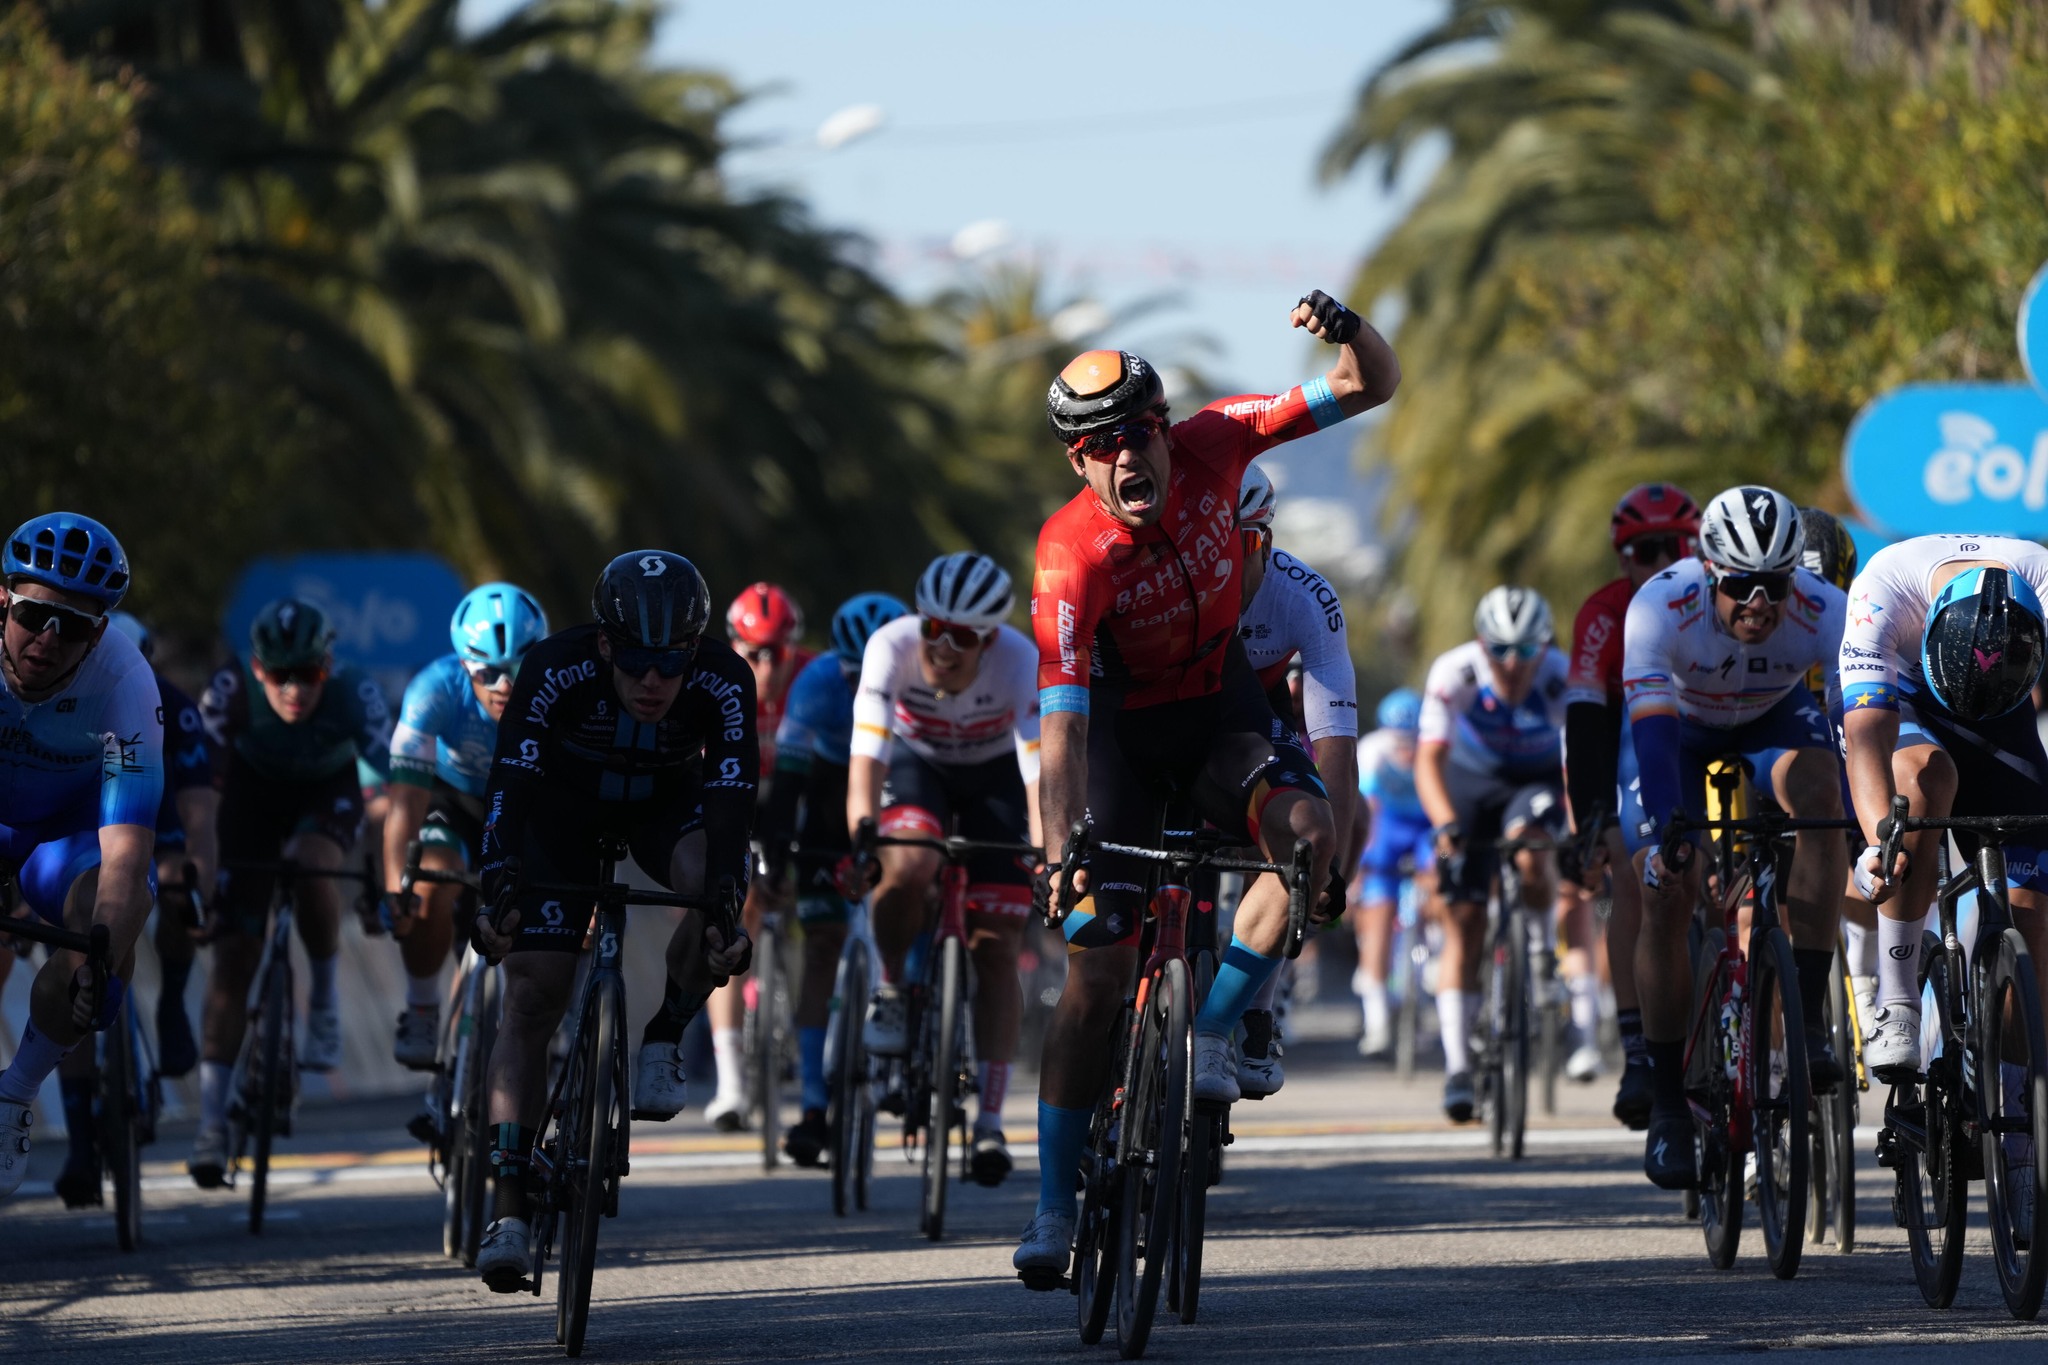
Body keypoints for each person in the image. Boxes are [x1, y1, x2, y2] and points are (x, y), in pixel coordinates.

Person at [1016, 288, 1400, 1285]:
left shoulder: (1217, 442)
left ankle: (1211, 1034)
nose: (1129, 454)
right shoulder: (1068, 556)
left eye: (1141, 428)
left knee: (1308, 835)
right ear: (1077, 460)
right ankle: (1054, 1205)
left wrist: (1346, 330)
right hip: (1120, 738)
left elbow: (1370, 384)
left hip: (1218, 713)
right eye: (1103, 444)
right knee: (1095, 968)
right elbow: (1060, 734)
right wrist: (1061, 856)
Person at [470, 550, 757, 1293]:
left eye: (672, 662)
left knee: (714, 883)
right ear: (604, 645)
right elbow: (513, 780)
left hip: (667, 807)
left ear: (695, 648)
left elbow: (731, 801)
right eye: (635, 661)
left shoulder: (726, 680)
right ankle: (507, 1207)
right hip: (561, 812)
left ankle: (666, 1033)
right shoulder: (553, 666)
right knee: (534, 991)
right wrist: (497, 876)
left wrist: (727, 906)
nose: (655, 681)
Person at [1623, 485, 1848, 1190]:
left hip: (1774, 722)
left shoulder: (1824, 610)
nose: (1760, 602)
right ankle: (1665, 1103)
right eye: (1741, 584)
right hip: (1681, 735)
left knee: (1826, 802)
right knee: (1666, 890)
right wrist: (1669, 833)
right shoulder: (1660, 606)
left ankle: (1805, 1015)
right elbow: (1654, 738)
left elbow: (1853, 727)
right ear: (1708, 571)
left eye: (1774, 584)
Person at [188, 598, 391, 1187]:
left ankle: (323, 1003)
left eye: (310, 675)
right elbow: (203, 794)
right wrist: (206, 871)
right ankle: (210, 1123)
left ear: (328, 666)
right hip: (249, 797)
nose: (295, 690)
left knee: (310, 866)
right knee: (233, 959)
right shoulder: (227, 689)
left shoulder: (357, 692)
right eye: (280, 676)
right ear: (257, 671)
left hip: (327, 792)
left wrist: (384, 876)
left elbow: (397, 791)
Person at [852, 553, 1040, 1185]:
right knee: (905, 865)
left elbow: (1039, 773)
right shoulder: (890, 646)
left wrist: (1047, 855)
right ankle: (891, 985)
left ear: (989, 639)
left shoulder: (1020, 660)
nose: (946, 647)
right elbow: (869, 753)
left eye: (965, 637)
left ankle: (989, 1119)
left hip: (996, 780)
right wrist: (860, 832)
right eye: (935, 629)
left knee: (998, 943)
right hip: (917, 765)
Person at [0, 513, 164, 1201]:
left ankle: (15, 1096)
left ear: (99, 632)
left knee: (102, 929)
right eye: (36, 614)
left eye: (71, 625)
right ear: (3, 599)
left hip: (68, 837)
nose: (48, 638)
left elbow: (126, 856)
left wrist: (101, 946)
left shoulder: (126, 681)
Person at [38, 611, 220, 1207]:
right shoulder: (53, 698)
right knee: (71, 959)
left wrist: (199, 884)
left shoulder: (172, 707)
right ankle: (83, 1142)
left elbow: (199, 817)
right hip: (79, 822)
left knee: (173, 880)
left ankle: (170, 1000)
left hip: (152, 816)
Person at [1562, 482, 1701, 1128]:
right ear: (1623, 560)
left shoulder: (1717, 594)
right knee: (1631, 870)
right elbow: (1588, 725)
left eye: (1675, 546)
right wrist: (1589, 817)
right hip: (1632, 735)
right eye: (1644, 550)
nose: (1660, 560)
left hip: (1714, 728)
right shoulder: (1602, 613)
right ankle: (1640, 1047)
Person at [759, 593, 908, 1168]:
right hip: (827, 805)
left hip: (897, 792)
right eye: (854, 673)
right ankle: (815, 1106)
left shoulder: (924, 678)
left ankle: (910, 1021)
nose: (861, 683)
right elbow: (789, 781)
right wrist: (775, 857)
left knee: (907, 898)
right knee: (822, 948)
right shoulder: (818, 683)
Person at [1416, 586, 1572, 1123]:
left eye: (1525, 650)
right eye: (1499, 650)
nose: (1511, 663)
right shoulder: (1453, 672)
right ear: (1481, 646)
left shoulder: (1560, 676)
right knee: (1463, 923)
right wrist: (1445, 826)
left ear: (1544, 646)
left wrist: (1573, 831)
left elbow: (1578, 767)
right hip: (1471, 780)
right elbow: (1428, 762)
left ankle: (1542, 952)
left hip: (1536, 779)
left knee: (1533, 850)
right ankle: (1459, 1068)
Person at [1231, 464, 1360, 1098]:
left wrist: (1329, 869)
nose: (1229, 561)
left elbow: (1334, 741)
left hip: (1264, 712)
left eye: (1245, 543)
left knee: (1301, 838)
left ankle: (1256, 1004)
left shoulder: (1305, 596)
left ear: (1268, 539)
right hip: (1181, 715)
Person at [381, 584, 547, 1072]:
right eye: (487, 671)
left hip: (527, 805)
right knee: (429, 881)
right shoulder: (432, 690)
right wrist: (398, 888)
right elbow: (404, 803)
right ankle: (422, 1006)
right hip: (451, 801)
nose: (505, 685)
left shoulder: (562, 695)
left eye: (519, 668)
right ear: (463, 666)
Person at [702, 582, 813, 1131]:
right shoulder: (713, 676)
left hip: (794, 800)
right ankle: (730, 1085)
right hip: (735, 794)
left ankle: (796, 1008)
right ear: (733, 647)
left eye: (778, 654)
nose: (766, 667)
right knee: (723, 916)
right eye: (753, 653)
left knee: (807, 899)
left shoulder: (812, 678)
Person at [1353, 688, 1430, 1058]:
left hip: (1427, 829)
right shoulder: (1372, 750)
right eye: (1398, 740)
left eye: (1411, 741)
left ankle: (1435, 961)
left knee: (1441, 879)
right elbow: (1368, 808)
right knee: (1379, 909)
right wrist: (1361, 862)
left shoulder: (1434, 746)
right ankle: (1378, 1018)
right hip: (1388, 828)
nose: (1405, 749)